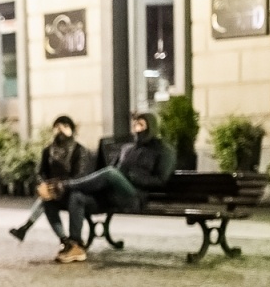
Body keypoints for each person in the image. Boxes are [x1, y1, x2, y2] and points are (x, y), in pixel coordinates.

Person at [41, 110, 174, 263]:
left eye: (141, 125)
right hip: (110, 197)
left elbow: (160, 180)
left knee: (111, 173)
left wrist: (134, 177)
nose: (137, 128)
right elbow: (110, 172)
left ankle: (65, 185)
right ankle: (75, 245)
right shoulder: (127, 149)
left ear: (151, 127)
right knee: (76, 197)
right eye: (135, 124)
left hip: (134, 196)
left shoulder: (164, 150)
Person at [10, 116, 90, 242]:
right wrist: (43, 185)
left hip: (71, 191)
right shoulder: (48, 150)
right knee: (47, 201)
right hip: (53, 191)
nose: (61, 130)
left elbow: (79, 175)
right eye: (57, 127)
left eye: (65, 126)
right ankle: (63, 239)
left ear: (72, 130)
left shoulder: (79, 150)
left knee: (47, 199)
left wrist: (60, 186)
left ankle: (25, 228)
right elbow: (40, 172)